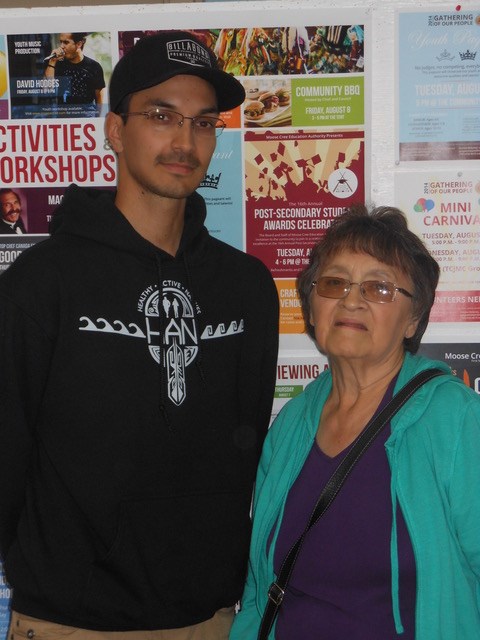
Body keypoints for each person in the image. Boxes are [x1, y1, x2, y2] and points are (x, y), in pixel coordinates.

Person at [0, 31, 279, 640]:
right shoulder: (41, 285)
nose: (185, 142)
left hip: (210, 620)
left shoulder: (247, 289)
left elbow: (247, 447)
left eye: (203, 123)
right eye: (161, 116)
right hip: (69, 624)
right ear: (115, 130)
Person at [230, 205, 480, 640]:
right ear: (311, 305)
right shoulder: (290, 427)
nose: (351, 299)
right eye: (334, 282)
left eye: (379, 287)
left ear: (414, 318)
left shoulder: (455, 420)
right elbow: (258, 590)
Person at [44, 32, 106, 115]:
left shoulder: (94, 67)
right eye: (61, 42)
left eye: (66, 42)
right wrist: (52, 61)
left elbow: (99, 98)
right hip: (65, 120)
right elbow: (47, 88)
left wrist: (98, 120)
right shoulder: (57, 64)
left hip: (87, 119)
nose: (61, 46)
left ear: (79, 44)